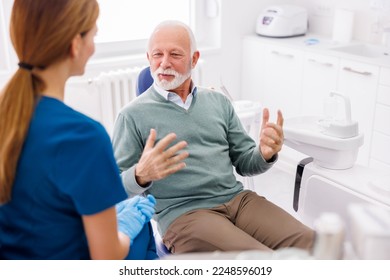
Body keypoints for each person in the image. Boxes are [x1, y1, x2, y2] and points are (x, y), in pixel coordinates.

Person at [112, 20, 315, 254]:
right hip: (184, 215)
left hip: (238, 201)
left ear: (194, 59)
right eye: (157, 54)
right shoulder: (132, 116)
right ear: (148, 58)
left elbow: (246, 163)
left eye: (175, 54)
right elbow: (112, 189)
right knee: (262, 263)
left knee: (314, 244)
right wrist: (139, 175)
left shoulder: (217, 102)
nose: (164, 63)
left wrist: (265, 153)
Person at [0, 0, 170, 260]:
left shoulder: (9, 116)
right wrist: (124, 228)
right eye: (94, 34)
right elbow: (106, 258)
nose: (94, 45)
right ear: (75, 44)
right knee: (143, 226)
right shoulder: (83, 136)